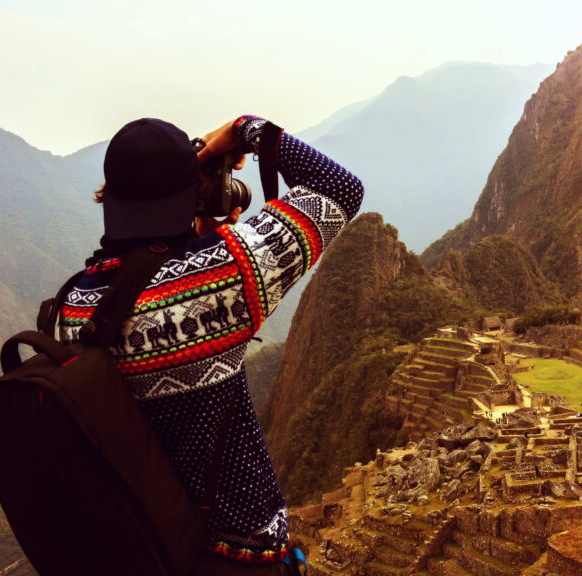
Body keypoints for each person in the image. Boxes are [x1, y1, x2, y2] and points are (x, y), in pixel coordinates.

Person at [58, 115, 363, 575]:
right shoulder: (225, 276)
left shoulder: (71, 308)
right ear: (196, 193)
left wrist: (193, 241)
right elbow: (338, 186)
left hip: (137, 551)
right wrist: (245, 129)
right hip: (230, 558)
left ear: (111, 195)